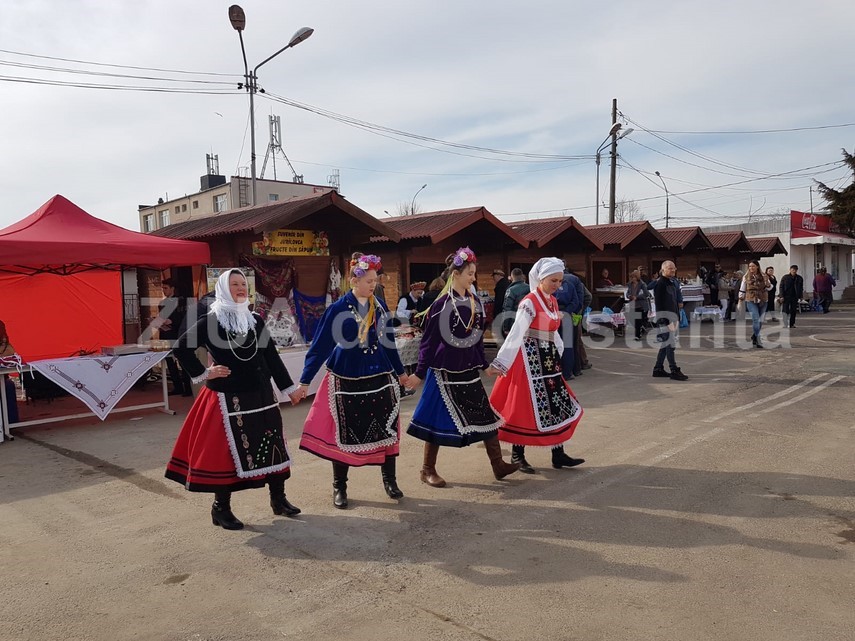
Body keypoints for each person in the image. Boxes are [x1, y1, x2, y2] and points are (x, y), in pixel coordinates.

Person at [164, 269, 302, 531]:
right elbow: (180, 347)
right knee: (226, 454)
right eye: (234, 284)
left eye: (243, 284)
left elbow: (270, 357)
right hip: (228, 397)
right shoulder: (211, 320)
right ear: (223, 289)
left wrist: (289, 388)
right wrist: (205, 372)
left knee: (272, 446)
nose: (241, 288)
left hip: (261, 394)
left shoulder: (255, 320)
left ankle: (278, 498)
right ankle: (221, 508)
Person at [294, 253, 408, 509]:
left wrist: (401, 373)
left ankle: (390, 480)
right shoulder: (338, 309)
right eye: (368, 281)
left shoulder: (380, 306)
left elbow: (389, 343)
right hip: (346, 376)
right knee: (343, 431)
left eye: (375, 280)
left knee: (387, 429)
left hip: (379, 375)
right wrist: (305, 381)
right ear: (354, 281)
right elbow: (320, 347)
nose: (373, 285)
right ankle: (340, 486)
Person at [403, 247, 519, 486]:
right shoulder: (441, 304)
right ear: (455, 274)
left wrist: (485, 365)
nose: (473, 278)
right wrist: (419, 373)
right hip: (444, 371)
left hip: (468, 371)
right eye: (470, 274)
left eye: (474, 274)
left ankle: (498, 464)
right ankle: (427, 469)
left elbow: (476, 339)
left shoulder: (474, 302)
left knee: (485, 415)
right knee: (435, 420)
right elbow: (428, 342)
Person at [487, 257, 584, 473]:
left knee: (556, 401)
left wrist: (559, 352)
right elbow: (516, 333)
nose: (558, 285)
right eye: (553, 281)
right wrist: (501, 362)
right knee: (524, 405)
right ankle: (517, 454)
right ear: (541, 279)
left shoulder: (552, 301)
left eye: (560, 281)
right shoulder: (529, 302)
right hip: (528, 360)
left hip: (548, 360)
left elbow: (552, 332)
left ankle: (558, 453)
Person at [154, 278, 193, 396]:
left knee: (182, 360)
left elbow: (184, 317)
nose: (164, 290)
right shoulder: (162, 303)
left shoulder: (181, 302)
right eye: (163, 288)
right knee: (170, 362)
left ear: (172, 289)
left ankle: (188, 388)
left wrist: (172, 321)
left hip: (178, 334)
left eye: (166, 288)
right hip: (166, 334)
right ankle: (177, 386)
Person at [652, 261, 688, 380]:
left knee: (665, 345)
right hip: (665, 319)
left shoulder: (672, 282)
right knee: (670, 344)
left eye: (674, 268)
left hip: (673, 317)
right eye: (670, 268)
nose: (673, 270)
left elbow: (674, 301)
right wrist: (665, 321)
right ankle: (674, 370)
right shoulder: (660, 284)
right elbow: (659, 304)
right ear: (663, 270)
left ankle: (658, 369)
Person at [555, 270, 585, 378]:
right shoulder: (570, 285)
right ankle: (568, 373)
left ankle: (557, 372)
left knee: (554, 344)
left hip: (554, 316)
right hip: (567, 316)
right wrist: (568, 311)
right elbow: (576, 302)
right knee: (568, 345)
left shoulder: (550, 285)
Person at [738, 260, 773, 348]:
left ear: (757, 266)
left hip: (763, 299)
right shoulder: (746, 276)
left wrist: (767, 283)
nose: (751, 268)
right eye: (750, 266)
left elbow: (770, 288)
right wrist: (740, 298)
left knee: (760, 320)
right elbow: (742, 288)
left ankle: (754, 335)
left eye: (753, 266)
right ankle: (758, 338)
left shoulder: (764, 276)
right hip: (751, 298)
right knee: (755, 319)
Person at [0, 321, 20, 424]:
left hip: (3, 379)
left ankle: (11, 423)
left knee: (9, 386)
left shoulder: (5, 344)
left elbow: (11, 354)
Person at [501, 268, 529, 337]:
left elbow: (507, 309)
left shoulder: (510, 290)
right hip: (528, 322)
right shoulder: (530, 288)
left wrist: (505, 327)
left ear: (511, 277)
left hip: (514, 323)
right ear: (522, 276)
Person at [625, 270, 650, 341]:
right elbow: (627, 293)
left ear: (637, 277)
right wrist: (629, 296)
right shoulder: (630, 284)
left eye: (634, 277)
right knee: (632, 319)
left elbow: (646, 294)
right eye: (631, 277)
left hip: (640, 305)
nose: (632, 279)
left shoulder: (642, 284)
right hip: (632, 304)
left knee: (638, 320)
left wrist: (637, 297)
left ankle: (637, 335)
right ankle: (641, 329)